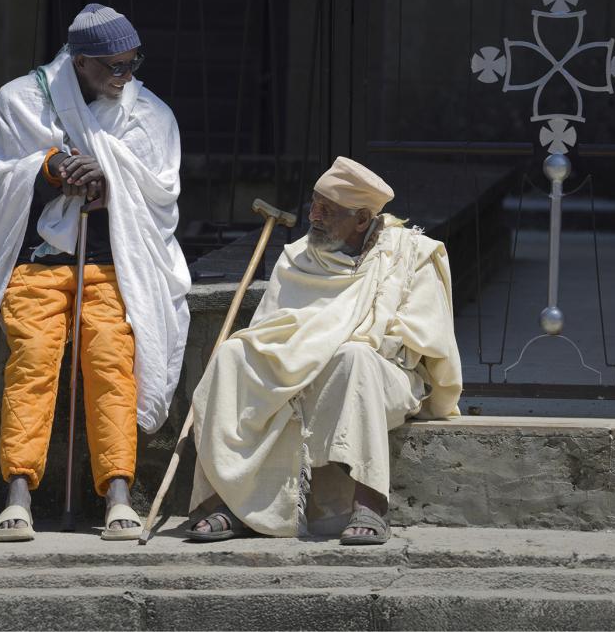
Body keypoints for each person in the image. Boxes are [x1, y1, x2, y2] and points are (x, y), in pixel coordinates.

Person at [0, 4, 190, 541]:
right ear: (80, 62)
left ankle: (117, 494)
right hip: (39, 263)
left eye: (133, 63)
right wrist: (48, 168)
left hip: (113, 264)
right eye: (114, 66)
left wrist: (110, 176)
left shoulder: (151, 115)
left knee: (111, 362)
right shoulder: (23, 100)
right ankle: (17, 495)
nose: (126, 76)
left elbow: (161, 194)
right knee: (32, 361)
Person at [188, 157, 461, 544]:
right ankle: (233, 502)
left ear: (362, 219)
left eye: (327, 211)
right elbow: (269, 327)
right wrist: (308, 350)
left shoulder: (412, 254)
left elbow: (423, 337)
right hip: (300, 363)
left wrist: (344, 336)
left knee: (354, 357)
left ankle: (369, 503)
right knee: (233, 355)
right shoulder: (298, 256)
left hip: (382, 373)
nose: (313, 216)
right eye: (313, 205)